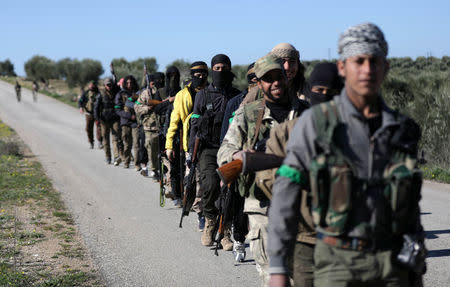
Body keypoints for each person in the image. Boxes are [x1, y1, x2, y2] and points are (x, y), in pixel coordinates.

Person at [268, 23, 426, 287]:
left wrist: (417, 264)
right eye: (359, 61)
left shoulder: (402, 129)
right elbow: (285, 196)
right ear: (343, 68)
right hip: (338, 263)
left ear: (385, 68)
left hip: (395, 265)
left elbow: (411, 208)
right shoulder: (314, 125)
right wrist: (278, 268)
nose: (367, 70)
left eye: (374, 61)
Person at [218, 54, 308, 285]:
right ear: (259, 83)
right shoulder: (248, 114)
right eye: (268, 78)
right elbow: (225, 151)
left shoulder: (306, 113)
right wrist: (237, 156)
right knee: (273, 277)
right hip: (262, 207)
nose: (276, 82)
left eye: (279, 76)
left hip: (303, 207)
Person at [255, 62, 343, 287]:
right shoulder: (289, 132)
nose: (324, 97)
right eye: (319, 91)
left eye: (332, 93)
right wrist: (276, 267)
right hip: (306, 239)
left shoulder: (356, 133)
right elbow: (280, 196)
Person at [189, 54, 241, 248]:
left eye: (224, 68)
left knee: (228, 191)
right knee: (210, 186)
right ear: (212, 70)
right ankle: (210, 221)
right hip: (208, 149)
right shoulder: (202, 95)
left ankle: (225, 231)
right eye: (217, 68)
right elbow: (194, 124)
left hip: (229, 149)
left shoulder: (237, 96)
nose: (220, 71)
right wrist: (190, 152)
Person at [218, 62, 257, 262]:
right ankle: (239, 239)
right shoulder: (236, 102)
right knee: (239, 203)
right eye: (253, 78)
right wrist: (226, 165)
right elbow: (225, 136)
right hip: (240, 162)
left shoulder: (275, 102)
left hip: (265, 164)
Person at [165, 61, 209, 225]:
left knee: (208, 181)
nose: (200, 77)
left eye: (203, 74)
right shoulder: (182, 95)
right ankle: (200, 213)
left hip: (210, 143)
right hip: (189, 144)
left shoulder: (211, 91)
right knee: (193, 180)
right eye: (197, 74)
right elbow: (174, 122)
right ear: (191, 76)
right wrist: (169, 145)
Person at [94, 77, 122, 165]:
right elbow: (96, 108)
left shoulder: (116, 93)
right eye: (107, 85)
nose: (109, 86)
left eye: (110, 84)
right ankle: (108, 157)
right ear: (105, 85)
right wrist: (97, 119)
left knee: (115, 139)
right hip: (104, 120)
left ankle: (116, 156)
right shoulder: (101, 95)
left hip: (115, 119)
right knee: (105, 140)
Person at [115, 75, 139, 169]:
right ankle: (126, 161)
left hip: (135, 122)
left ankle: (137, 164)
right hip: (125, 122)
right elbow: (117, 109)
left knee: (136, 144)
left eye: (131, 83)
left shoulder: (137, 93)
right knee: (127, 144)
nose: (129, 84)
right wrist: (129, 116)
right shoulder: (120, 94)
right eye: (127, 83)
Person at [79, 81, 103, 149]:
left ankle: (100, 142)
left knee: (99, 128)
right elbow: (80, 101)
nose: (91, 86)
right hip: (88, 113)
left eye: (92, 85)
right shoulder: (86, 93)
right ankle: (91, 142)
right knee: (88, 128)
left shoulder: (99, 93)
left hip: (97, 113)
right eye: (90, 85)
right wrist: (81, 107)